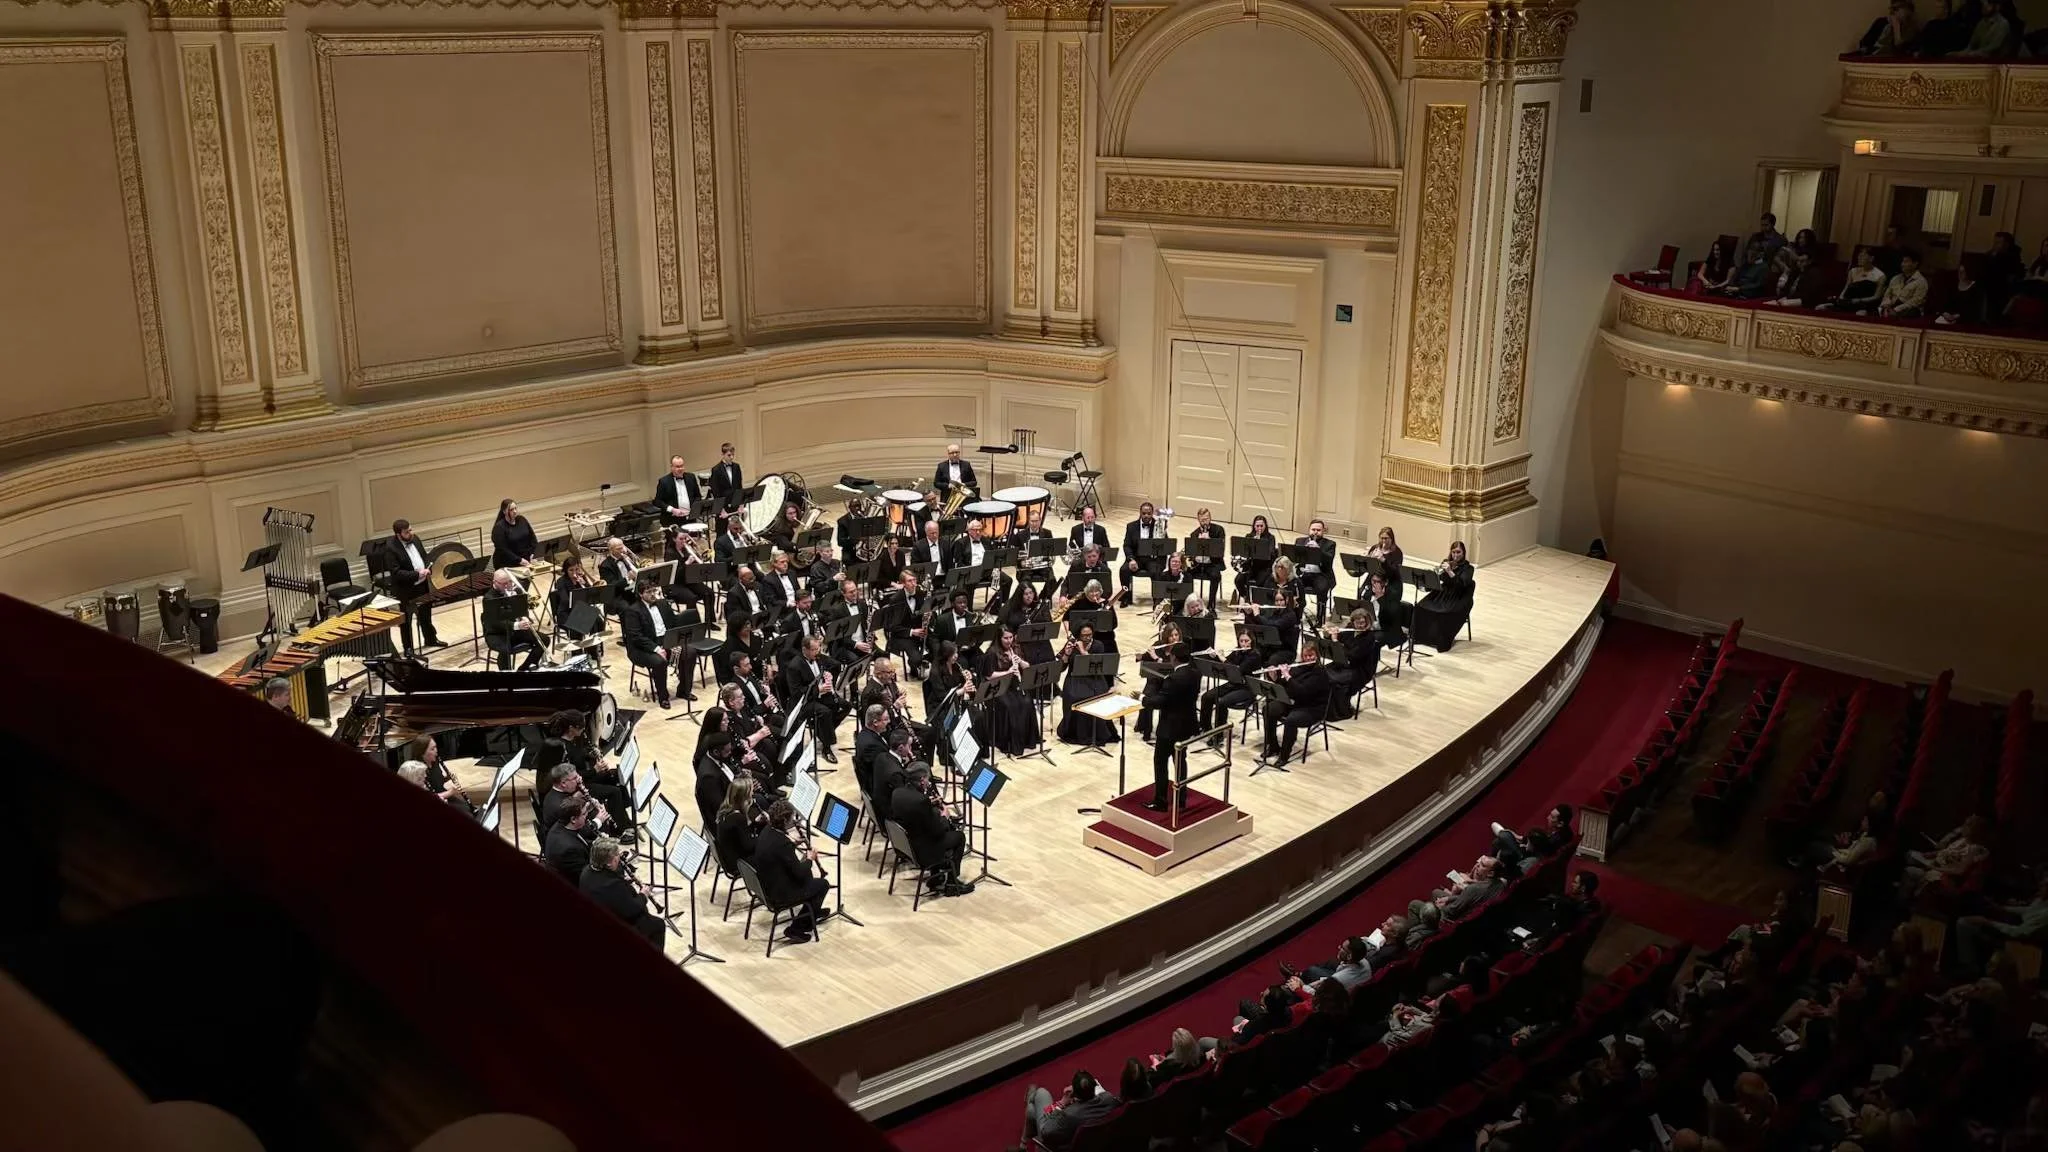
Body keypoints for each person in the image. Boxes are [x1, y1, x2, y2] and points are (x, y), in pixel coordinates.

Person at [750, 798, 830, 943]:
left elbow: (780, 853)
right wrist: (810, 859)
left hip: (768, 882)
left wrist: (793, 846)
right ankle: (797, 928)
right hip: (779, 894)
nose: (793, 821)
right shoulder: (782, 844)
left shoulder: (768, 830)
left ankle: (812, 912)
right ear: (785, 820)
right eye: (792, 818)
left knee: (808, 875)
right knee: (823, 884)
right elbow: (798, 873)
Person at [892, 763, 973, 896]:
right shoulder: (921, 801)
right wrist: (944, 816)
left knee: (940, 832)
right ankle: (952, 884)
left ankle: (936, 878)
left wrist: (931, 809)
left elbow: (917, 816)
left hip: (906, 844)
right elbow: (937, 831)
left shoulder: (897, 793)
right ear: (922, 780)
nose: (929, 782)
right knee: (958, 837)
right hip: (923, 850)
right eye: (928, 779)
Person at [580, 835, 664, 947]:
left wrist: (622, 881)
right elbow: (632, 909)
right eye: (617, 856)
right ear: (609, 863)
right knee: (658, 924)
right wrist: (643, 895)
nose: (619, 857)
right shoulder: (612, 885)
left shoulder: (587, 871)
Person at [1148, 642, 1202, 811]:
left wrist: (1143, 698)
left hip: (1169, 728)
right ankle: (1181, 799)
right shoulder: (1196, 674)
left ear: (1174, 658)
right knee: (1180, 761)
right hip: (1187, 724)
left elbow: (1161, 702)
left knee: (1160, 762)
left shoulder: (1173, 679)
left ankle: (1161, 801)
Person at [1258, 639, 1329, 765]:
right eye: (1305, 656)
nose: (1308, 658)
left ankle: (1284, 756)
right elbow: (1285, 687)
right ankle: (1273, 746)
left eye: (1311, 655)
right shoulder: (1298, 668)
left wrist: (1288, 676)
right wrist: (1275, 678)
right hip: (1294, 702)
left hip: (1311, 707)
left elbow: (1302, 692)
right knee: (1268, 709)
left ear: (1317, 655)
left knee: (1291, 720)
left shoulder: (1320, 673)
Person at [619, 578, 684, 709]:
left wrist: (676, 641)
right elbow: (636, 637)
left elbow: (673, 624)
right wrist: (656, 649)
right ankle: (663, 696)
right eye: (649, 592)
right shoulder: (633, 611)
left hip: (664, 640)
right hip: (641, 648)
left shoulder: (663, 604)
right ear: (641, 594)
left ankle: (684, 690)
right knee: (659, 662)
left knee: (689, 652)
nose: (653, 594)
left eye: (654, 590)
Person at [379, 518, 441, 654]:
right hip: (406, 589)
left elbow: (424, 556)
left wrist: (427, 567)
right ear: (398, 534)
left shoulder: (415, 539)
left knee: (426, 613)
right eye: (407, 532)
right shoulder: (390, 549)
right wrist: (417, 574)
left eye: (410, 530)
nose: (411, 533)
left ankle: (430, 639)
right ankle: (408, 648)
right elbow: (396, 573)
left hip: (422, 585)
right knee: (406, 621)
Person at [979, 627, 1042, 755]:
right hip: (999, 688)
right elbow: (988, 675)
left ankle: (1026, 740)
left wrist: (1021, 662)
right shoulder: (992, 652)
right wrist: (1007, 672)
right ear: (999, 638)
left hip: (1014, 686)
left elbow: (1027, 667)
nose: (1009, 641)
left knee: (1027, 702)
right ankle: (1009, 742)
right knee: (1010, 706)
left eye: (1011, 637)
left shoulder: (1016, 648)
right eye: (1005, 638)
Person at [1021, 1070, 1118, 1150]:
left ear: (1075, 1093)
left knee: (1041, 1094)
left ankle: (1031, 1097)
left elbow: (1046, 1131)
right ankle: (1023, 1143)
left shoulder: (1069, 1114)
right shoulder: (1108, 1098)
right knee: (1031, 1111)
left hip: (1063, 1144)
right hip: (1097, 1143)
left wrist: (1062, 1103)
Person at [1409, 540, 1475, 652]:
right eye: (1453, 552)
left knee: (1444, 614)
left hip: (1457, 597)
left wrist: (1449, 571)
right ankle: (1420, 638)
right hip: (1442, 593)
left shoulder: (1468, 568)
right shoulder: (1446, 562)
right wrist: (1427, 582)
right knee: (1420, 607)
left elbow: (1461, 585)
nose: (1455, 555)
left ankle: (1441, 642)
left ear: (1463, 553)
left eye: (1458, 552)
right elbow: (1438, 580)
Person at [1057, 623, 1115, 747]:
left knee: (1098, 695)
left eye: (1089, 635)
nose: (1087, 638)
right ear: (1079, 635)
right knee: (1073, 696)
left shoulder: (1098, 645)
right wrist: (1066, 654)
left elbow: (1095, 664)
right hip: (1075, 678)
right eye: (1084, 635)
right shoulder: (1072, 643)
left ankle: (1098, 733)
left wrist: (1082, 650)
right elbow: (1061, 668)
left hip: (1094, 677)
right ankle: (1074, 732)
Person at [481, 569, 544, 671]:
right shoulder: (489, 598)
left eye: (509, 582)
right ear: (495, 583)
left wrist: (525, 618)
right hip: (497, 633)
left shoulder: (516, 591)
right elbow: (495, 622)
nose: (507, 586)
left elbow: (523, 610)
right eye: (504, 584)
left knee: (544, 640)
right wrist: (516, 625)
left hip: (514, 630)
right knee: (505, 650)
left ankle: (523, 669)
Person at [1118, 502, 1167, 607]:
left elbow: (1165, 545)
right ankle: (1126, 597)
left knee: (1157, 571)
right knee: (1124, 570)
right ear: (1140, 512)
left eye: (1149, 513)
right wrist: (1131, 559)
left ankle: (1157, 600)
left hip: (1152, 559)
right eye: (1144, 513)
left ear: (1152, 513)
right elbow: (1127, 545)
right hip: (1137, 558)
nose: (1146, 516)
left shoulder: (1159, 526)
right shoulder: (1131, 526)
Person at [1292, 519, 1338, 624]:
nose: (1315, 532)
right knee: (1294, 586)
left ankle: (1320, 619)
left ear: (1323, 531)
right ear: (1309, 530)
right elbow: (1295, 559)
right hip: (1304, 573)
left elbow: (1328, 562)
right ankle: (1296, 615)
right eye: (1313, 529)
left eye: (1318, 530)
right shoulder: (1300, 541)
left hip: (1321, 574)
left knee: (1322, 589)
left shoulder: (1330, 544)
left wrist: (1318, 550)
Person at [1819, 246, 1888, 313]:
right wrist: (1840, 299)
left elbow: (1876, 297)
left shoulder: (1880, 275)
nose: (1859, 258)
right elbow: (1846, 288)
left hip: (1865, 304)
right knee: (1820, 308)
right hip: (1849, 301)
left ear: (1871, 258)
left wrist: (1858, 300)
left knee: (1860, 313)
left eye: (1863, 256)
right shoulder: (1853, 271)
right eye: (1859, 256)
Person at [542, 798, 593, 884]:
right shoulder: (571, 849)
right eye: (584, 814)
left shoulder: (558, 826)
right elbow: (585, 878)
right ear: (573, 819)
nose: (586, 816)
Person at [1184, 507, 1227, 605]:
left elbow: (1220, 552)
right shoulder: (1194, 534)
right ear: (1198, 520)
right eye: (1202, 520)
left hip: (1213, 563)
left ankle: (1211, 605)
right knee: (1186, 573)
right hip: (1198, 564)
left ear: (1210, 518)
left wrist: (1209, 542)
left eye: (1206, 519)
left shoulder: (1219, 530)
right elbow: (1190, 554)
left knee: (1215, 576)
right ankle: (1190, 602)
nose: (1205, 522)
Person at [1231, 515, 1275, 604]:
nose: (1259, 528)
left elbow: (1271, 553)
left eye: (1261, 526)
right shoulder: (1249, 536)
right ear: (1254, 526)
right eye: (1257, 526)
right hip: (1250, 566)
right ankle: (1246, 597)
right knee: (1238, 580)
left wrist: (1259, 545)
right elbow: (1244, 553)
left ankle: (1255, 601)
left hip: (1264, 567)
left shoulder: (1270, 538)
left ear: (1265, 526)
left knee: (1259, 583)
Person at [655, 454, 703, 530]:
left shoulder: (691, 477)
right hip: (672, 520)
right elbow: (658, 501)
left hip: (690, 518)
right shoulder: (664, 481)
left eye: (682, 466)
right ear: (672, 467)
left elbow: (698, 496)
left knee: (692, 540)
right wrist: (672, 510)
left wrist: (694, 508)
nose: (680, 469)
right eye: (677, 466)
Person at [1938, 259, 1992, 325]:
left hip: (1970, 325)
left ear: (1968, 272)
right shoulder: (1953, 286)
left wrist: (1958, 316)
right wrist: (1945, 313)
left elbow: (1978, 313)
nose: (1960, 274)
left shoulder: (1978, 289)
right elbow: (1946, 304)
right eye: (1959, 271)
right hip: (1952, 322)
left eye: (1963, 272)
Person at [488, 498, 537, 569]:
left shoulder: (522, 519)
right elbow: (503, 549)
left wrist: (532, 553)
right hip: (508, 563)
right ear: (504, 511)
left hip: (526, 560)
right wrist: (519, 560)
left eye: (515, 508)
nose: (515, 511)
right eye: (511, 510)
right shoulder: (499, 527)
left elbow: (533, 539)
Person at [1856, 1, 1921, 54]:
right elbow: (1864, 44)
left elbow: (1902, 46)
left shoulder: (1911, 28)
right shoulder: (1881, 23)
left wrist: (1897, 30)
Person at [1879, 252, 1929, 317]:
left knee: (1912, 312)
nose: (1902, 264)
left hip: (1906, 310)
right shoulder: (1895, 278)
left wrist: (1895, 310)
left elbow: (1915, 302)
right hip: (1890, 307)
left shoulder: (1921, 281)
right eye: (1902, 261)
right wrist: (1886, 306)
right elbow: (1887, 295)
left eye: (1906, 262)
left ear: (1915, 264)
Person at [707, 443, 744, 510]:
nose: (732, 457)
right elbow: (716, 493)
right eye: (729, 455)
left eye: (733, 455)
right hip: (724, 507)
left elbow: (739, 487)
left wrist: (741, 505)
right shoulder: (716, 470)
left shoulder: (736, 467)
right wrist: (722, 510)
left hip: (735, 505)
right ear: (722, 454)